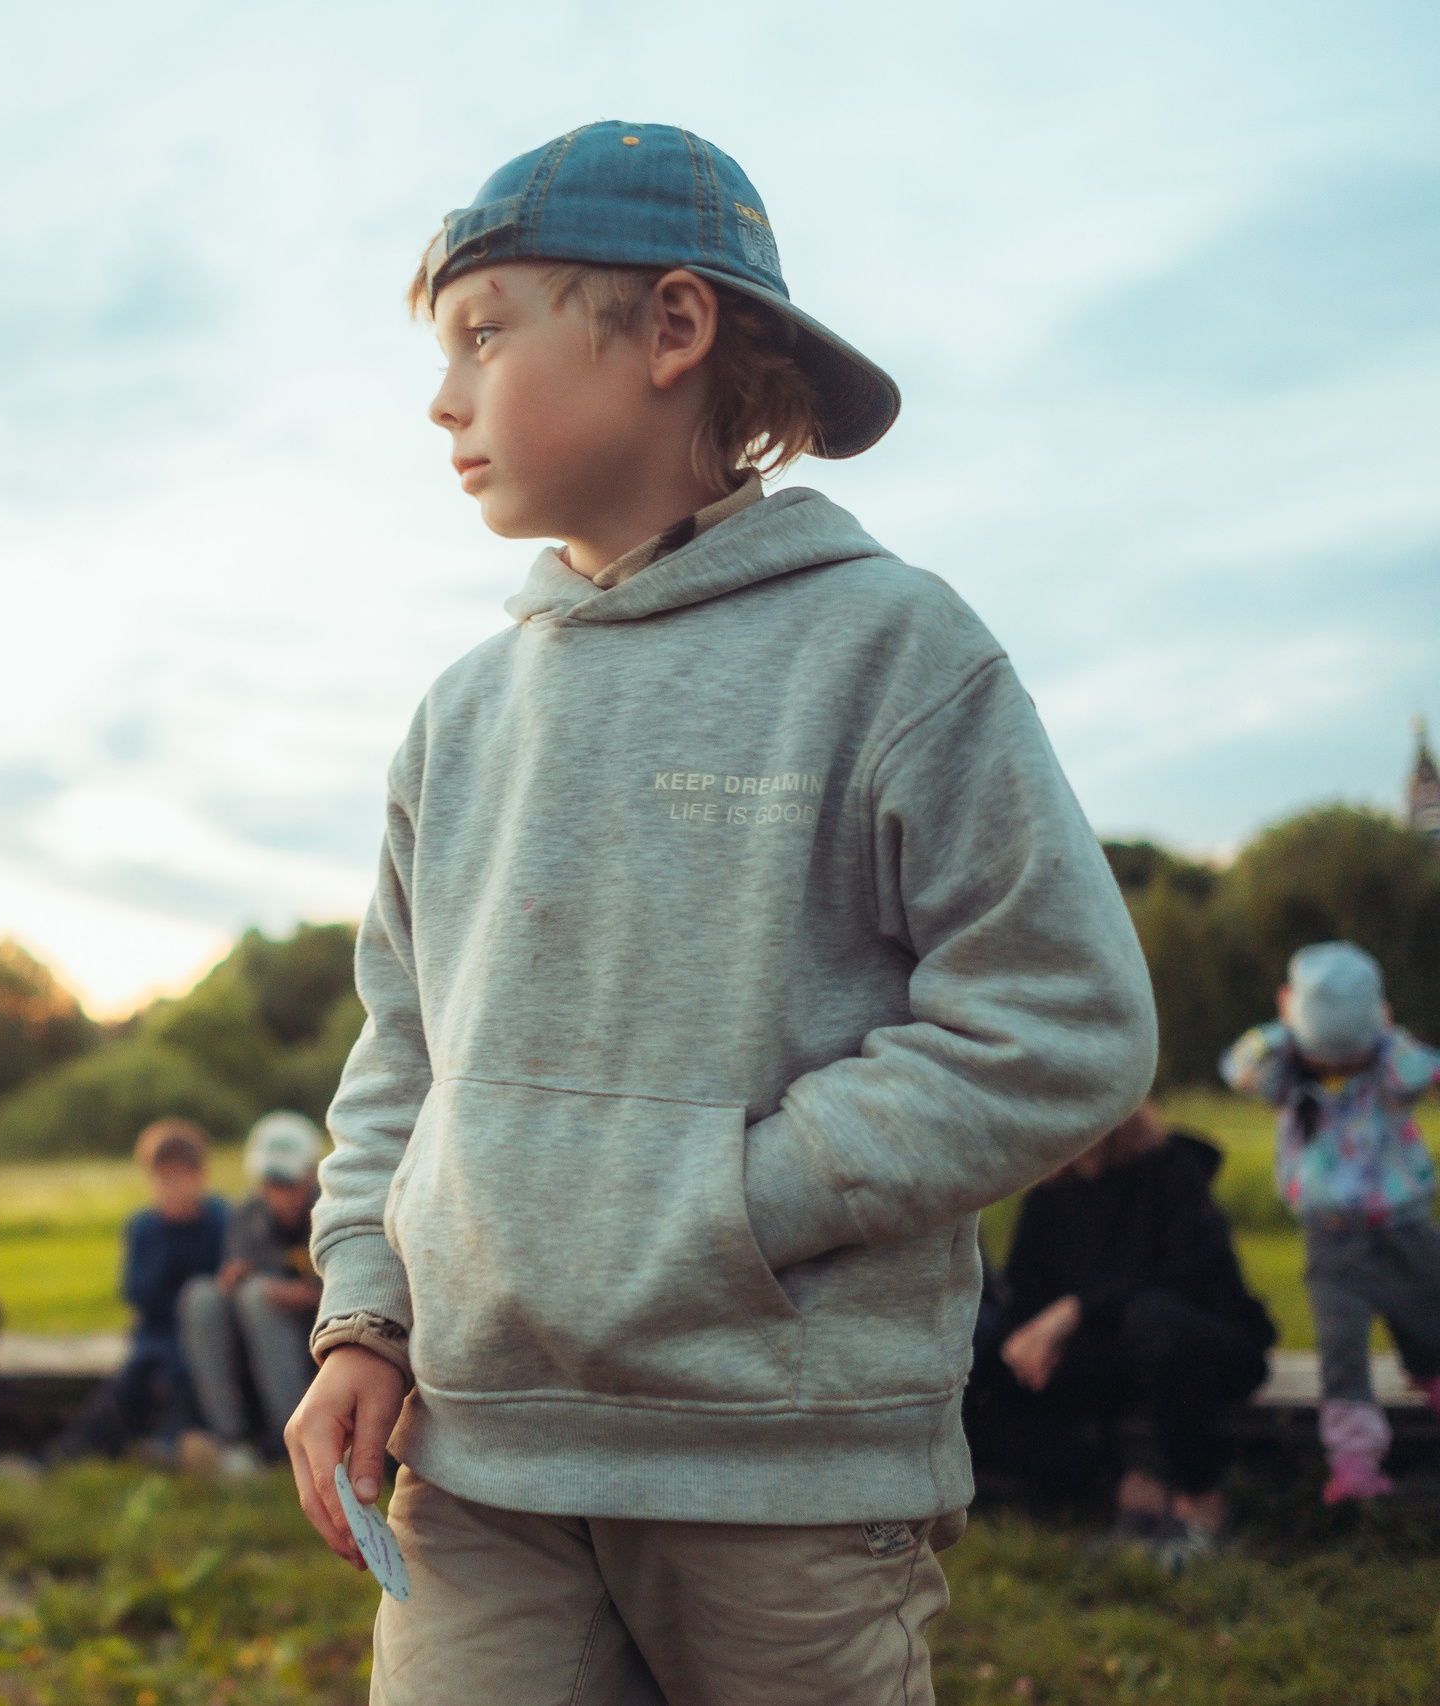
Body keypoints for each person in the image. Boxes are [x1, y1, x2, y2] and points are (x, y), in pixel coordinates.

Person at [287, 122, 1158, 1702]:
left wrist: (729, 1201)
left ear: (675, 329)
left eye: (488, 333)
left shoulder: (892, 648)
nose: (443, 395)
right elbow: (400, 1060)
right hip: (478, 1465)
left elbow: (1063, 1022)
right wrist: (365, 1320)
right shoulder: (461, 714)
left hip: (785, 1476)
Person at [964, 1104, 1274, 1563]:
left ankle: (1203, 1504)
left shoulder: (1169, 1169)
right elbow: (1027, 1302)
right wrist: (1023, 1341)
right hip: (1110, 1360)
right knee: (977, 1375)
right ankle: (1130, 1491)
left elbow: (1201, 1276)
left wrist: (1075, 1310)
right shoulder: (1050, 1198)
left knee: (1153, 1321)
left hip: (1204, 1346)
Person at [1222, 940, 1440, 1504]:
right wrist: (1290, 1029)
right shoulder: (1288, 1075)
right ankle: (1355, 1465)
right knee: (1342, 1354)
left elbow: (1424, 1069)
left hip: (1405, 1227)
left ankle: (1428, 1382)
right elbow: (1239, 1067)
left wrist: (1374, 1032)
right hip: (1334, 1239)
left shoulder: (1389, 1068)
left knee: (1431, 1323)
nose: (1337, 1064)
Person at [51, 1119, 228, 1462]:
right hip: (155, 1334)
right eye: (161, 1179)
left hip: (204, 1337)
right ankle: (71, 1453)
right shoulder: (144, 1226)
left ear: (198, 1176)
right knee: (130, 1380)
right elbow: (137, 1292)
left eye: (177, 1178)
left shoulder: (219, 1220)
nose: (169, 1188)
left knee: (186, 1371)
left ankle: (173, 1444)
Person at [181, 1112, 325, 1471]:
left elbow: (362, 1293)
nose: (278, 1194)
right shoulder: (247, 1214)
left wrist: (295, 1295)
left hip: (319, 1339)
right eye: (269, 1182)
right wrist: (233, 1280)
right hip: (260, 1336)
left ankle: (291, 1438)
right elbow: (236, 1277)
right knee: (201, 1296)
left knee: (259, 1297)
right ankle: (230, 1439)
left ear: (310, 1173)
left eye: (287, 1182)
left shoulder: (333, 1211)